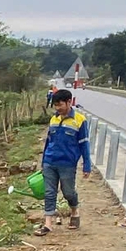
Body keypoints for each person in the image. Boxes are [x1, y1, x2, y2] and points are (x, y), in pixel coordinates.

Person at [35, 89, 91, 236]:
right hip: (50, 161)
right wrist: (43, 161)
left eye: (60, 105)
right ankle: (48, 224)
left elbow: (84, 144)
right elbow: (49, 141)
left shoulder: (80, 120)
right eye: (55, 105)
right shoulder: (54, 119)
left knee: (68, 192)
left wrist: (87, 165)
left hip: (67, 164)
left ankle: (74, 211)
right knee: (49, 193)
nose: (58, 108)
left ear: (68, 102)